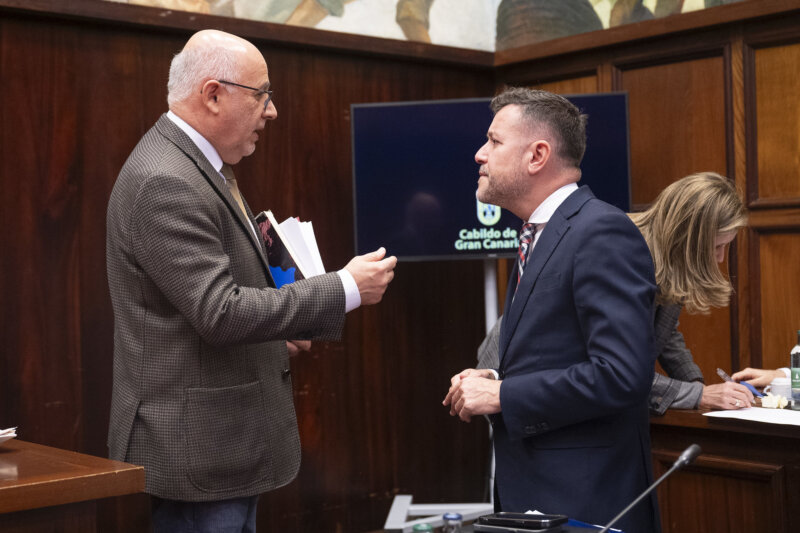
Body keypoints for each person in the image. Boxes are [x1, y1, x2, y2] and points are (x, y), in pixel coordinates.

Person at [106, 29, 396, 532]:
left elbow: (194, 312)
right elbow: (219, 311)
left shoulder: (198, 164)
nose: (272, 111)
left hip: (219, 444)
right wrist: (344, 288)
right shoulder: (165, 179)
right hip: (199, 449)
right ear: (213, 94)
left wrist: (273, 339)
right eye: (262, 94)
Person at [443, 88, 660, 532]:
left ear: (537, 155)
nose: (479, 154)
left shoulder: (601, 231)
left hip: (588, 502)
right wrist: (498, 379)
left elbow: (622, 375)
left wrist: (504, 396)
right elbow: (560, 355)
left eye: (494, 141)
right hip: (538, 495)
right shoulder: (535, 235)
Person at [629, 172, 759, 414]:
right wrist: (698, 394)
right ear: (687, 239)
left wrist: (696, 385)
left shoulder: (667, 256)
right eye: (717, 246)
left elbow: (664, 333)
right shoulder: (625, 257)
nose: (720, 258)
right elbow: (620, 374)